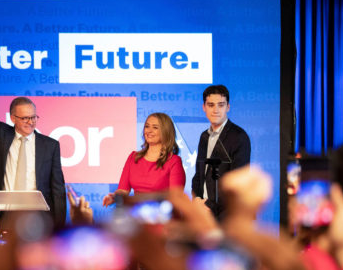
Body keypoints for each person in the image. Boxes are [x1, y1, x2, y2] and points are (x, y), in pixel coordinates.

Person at [0, 96, 66, 228]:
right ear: (13, 118)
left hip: (39, 216)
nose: (31, 122)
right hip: (8, 215)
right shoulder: (2, 136)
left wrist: (60, 228)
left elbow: (58, 189)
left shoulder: (50, 145)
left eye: (33, 117)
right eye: (25, 118)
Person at [191, 85, 251, 219]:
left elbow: (237, 183)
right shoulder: (204, 136)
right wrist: (197, 201)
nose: (216, 110)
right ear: (204, 107)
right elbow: (199, 175)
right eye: (211, 105)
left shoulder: (239, 137)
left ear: (228, 107)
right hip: (202, 213)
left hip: (225, 216)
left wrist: (209, 207)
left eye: (221, 105)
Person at [102, 112, 185, 207]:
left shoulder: (174, 161)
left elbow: (176, 198)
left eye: (155, 127)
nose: (149, 131)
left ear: (165, 131)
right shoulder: (133, 157)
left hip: (161, 217)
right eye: (147, 126)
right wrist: (114, 197)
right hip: (137, 215)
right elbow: (123, 190)